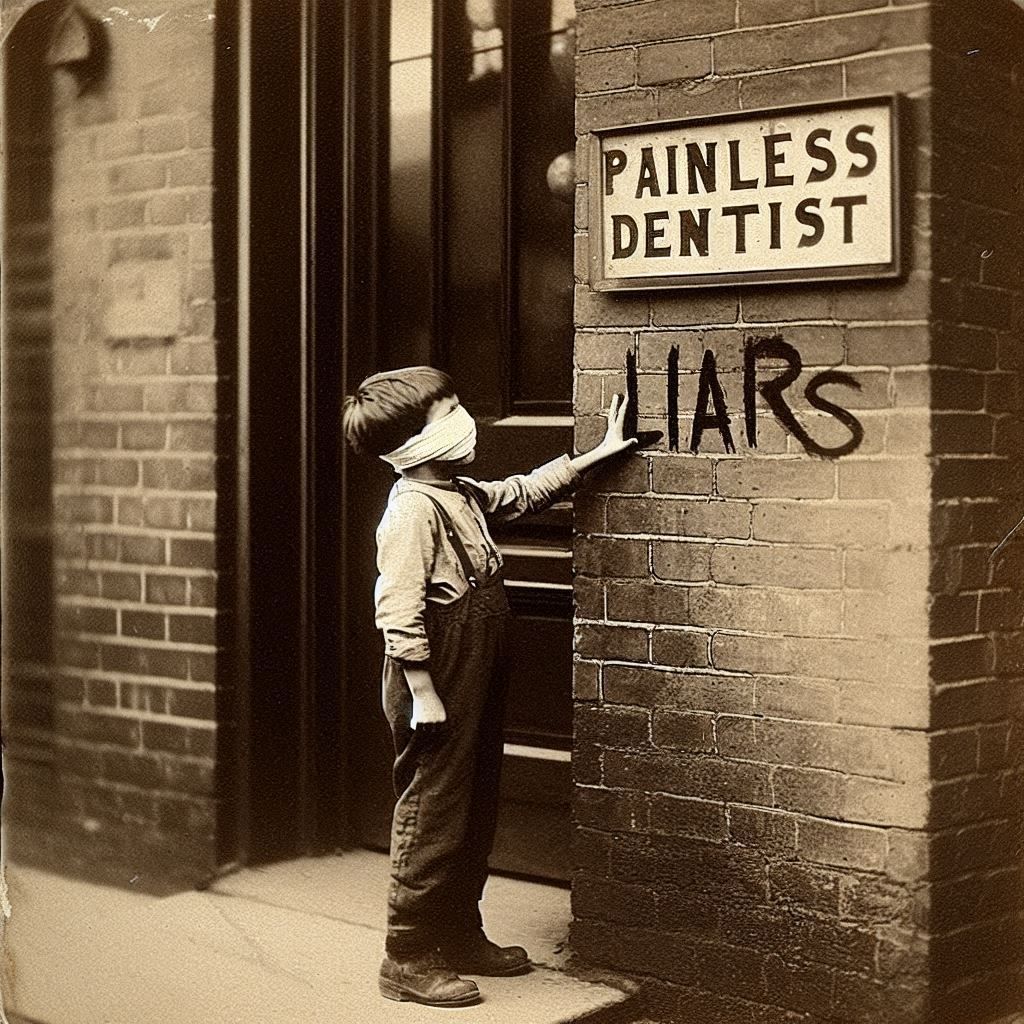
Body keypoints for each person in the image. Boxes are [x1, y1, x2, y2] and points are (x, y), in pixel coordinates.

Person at [342, 365, 637, 1008]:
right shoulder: (412, 512)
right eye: (447, 412)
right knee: (434, 810)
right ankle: (407, 953)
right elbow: (396, 610)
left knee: (473, 805)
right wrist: (423, 690)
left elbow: (519, 494)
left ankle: (458, 930)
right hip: (436, 674)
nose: (464, 420)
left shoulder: (458, 491)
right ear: (413, 442)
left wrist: (591, 458)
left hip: (471, 664)